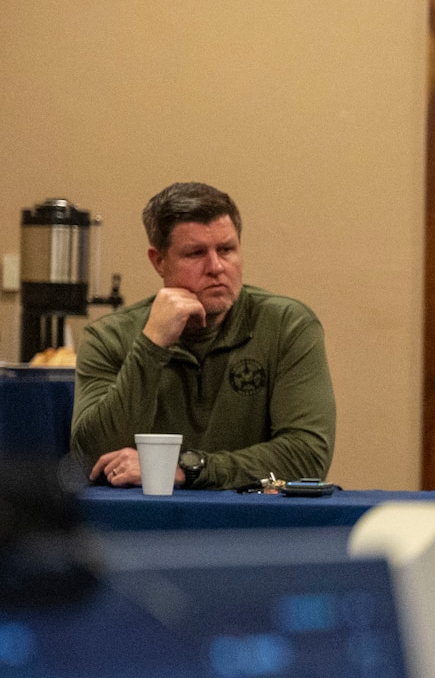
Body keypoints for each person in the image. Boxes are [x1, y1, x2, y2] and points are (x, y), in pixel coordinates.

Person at [72, 182, 334, 490]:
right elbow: (88, 458)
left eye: (226, 249)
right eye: (196, 253)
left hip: (256, 522)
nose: (216, 267)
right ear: (159, 261)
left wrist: (185, 468)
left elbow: (307, 454)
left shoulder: (288, 326)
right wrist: (151, 345)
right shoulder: (109, 337)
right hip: (145, 525)